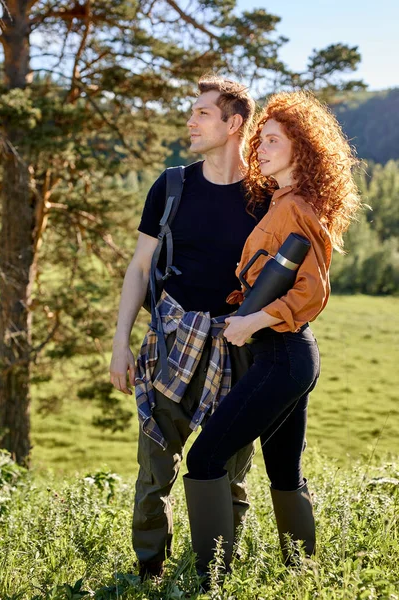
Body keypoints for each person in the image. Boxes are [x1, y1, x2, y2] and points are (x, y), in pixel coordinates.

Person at [183, 90, 362, 575]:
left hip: (282, 353)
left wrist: (252, 321)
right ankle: (302, 574)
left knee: (204, 459)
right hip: (289, 355)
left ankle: (210, 578)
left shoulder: (293, 208)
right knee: (284, 471)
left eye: (273, 140)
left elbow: (312, 293)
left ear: (301, 148)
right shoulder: (283, 203)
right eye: (258, 139)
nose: (260, 147)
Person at [109, 75, 270, 579]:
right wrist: (120, 346)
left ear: (233, 123)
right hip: (172, 341)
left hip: (240, 347)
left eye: (202, 113)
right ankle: (148, 571)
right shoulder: (172, 185)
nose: (190, 120)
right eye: (192, 111)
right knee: (155, 467)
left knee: (230, 471)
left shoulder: (266, 195)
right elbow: (139, 268)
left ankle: (214, 573)